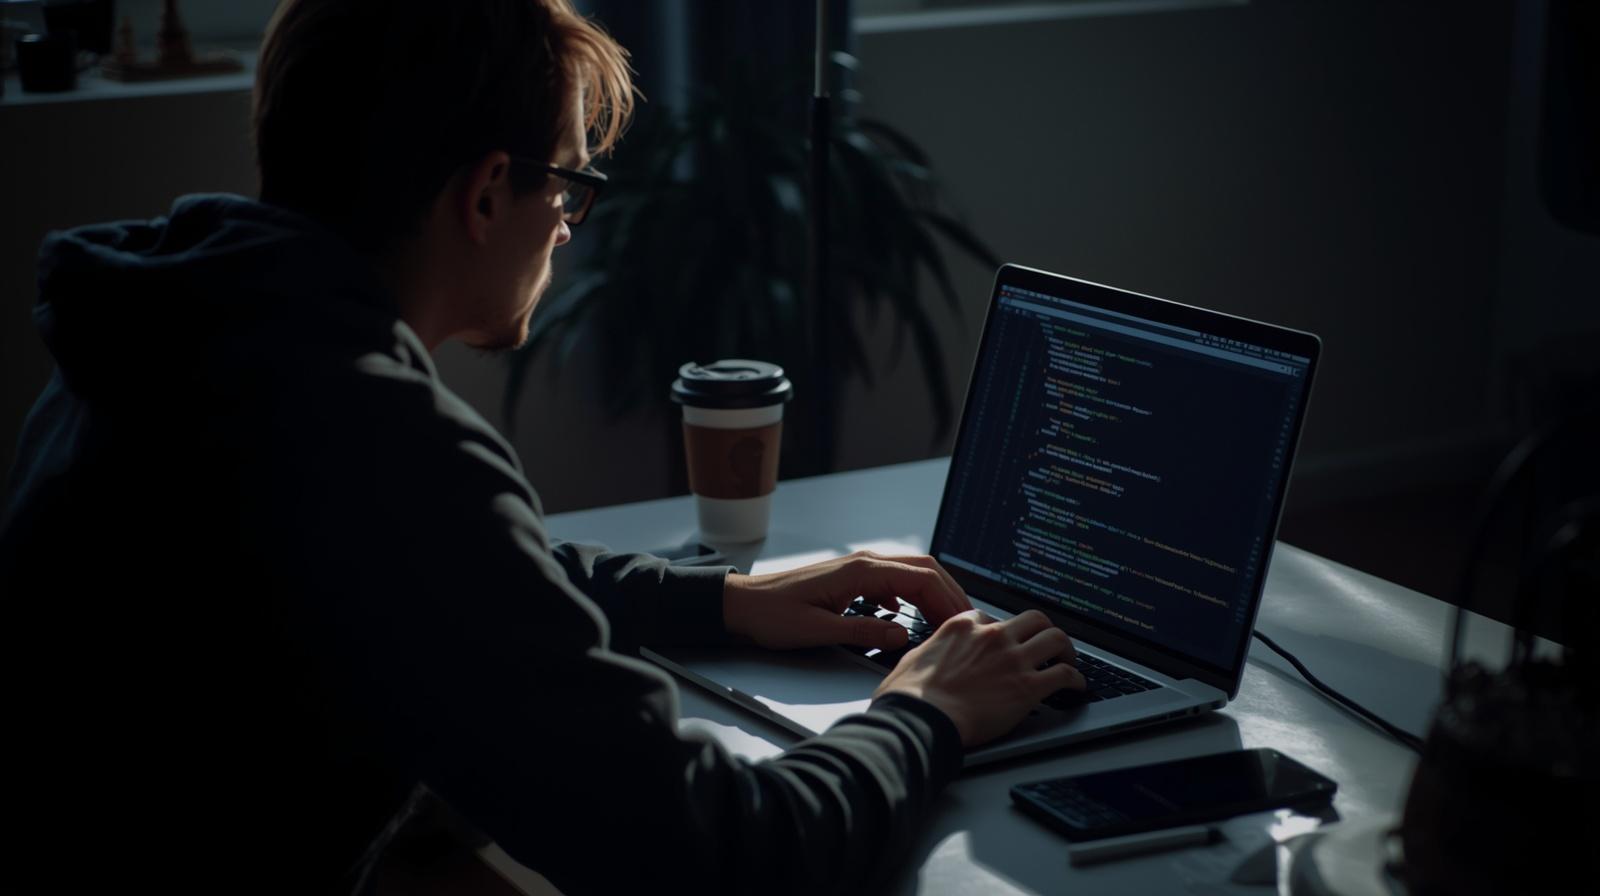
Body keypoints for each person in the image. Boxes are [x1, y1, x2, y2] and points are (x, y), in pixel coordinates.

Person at [0, 1, 1086, 892]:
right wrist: (922, 710)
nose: (569, 221)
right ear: (484, 194)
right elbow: (727, 852)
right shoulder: (374, 439)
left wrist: (720, 599)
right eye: (567, 183)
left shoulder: (162, 334)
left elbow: (432, 572)